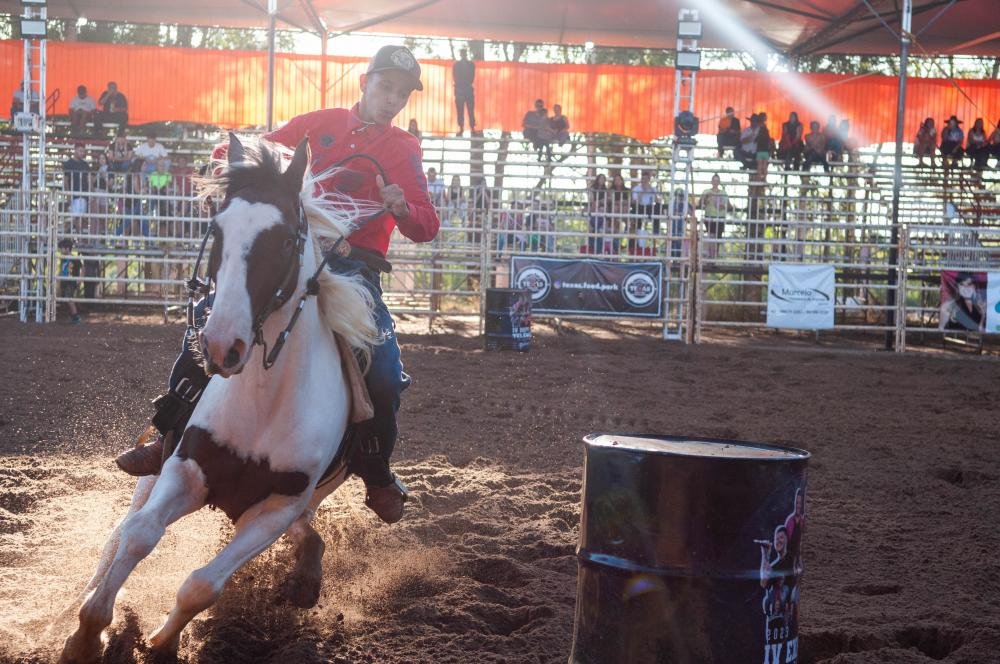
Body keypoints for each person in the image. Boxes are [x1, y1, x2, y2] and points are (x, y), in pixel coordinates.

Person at [115, 45, 440, 526]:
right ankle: (168, 431)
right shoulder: (318, 122)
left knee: (386, 372)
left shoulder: (405, 149)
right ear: (365, 83)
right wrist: (226, 162)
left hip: (354, 269)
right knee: (214, 316)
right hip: (292, 255)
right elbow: (256, 149)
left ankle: (376, 473)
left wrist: (402, 207)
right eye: (385, 86)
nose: (392, 99)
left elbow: (427, 225)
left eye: (401, 93)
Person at [698, 173, 733, 258]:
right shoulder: (706, 192)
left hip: (721, 217)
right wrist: (706, 199)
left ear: (719, 182)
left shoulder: (723, 193)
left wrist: (723, 206)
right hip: (710, 217)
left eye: (717, 180)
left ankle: (714, 257)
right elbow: (700, 203)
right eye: (714, 180)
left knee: (717, 238)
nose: (715, 182)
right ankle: (711, 256)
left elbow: (729, 206)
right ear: (711, 181)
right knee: (711, 236)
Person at [63, 144, 92, 235]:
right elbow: (65, 180)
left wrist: (91, 192)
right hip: (74, 194)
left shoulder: (85, 165)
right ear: (75, 150)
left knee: (80, 217)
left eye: (83, 151)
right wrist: (68, 193)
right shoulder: (68, 164)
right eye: (80, 151)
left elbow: (89, 179)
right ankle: (76, 235)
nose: (82, 153)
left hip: (84, 194)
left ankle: (78, 236)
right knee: (75, 217)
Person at [630, 171, 658, 252]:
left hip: (649, 207)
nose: (644, 181)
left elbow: (657, 201)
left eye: (646, 179)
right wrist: (642, 192)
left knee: (657, 208)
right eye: (643, 179)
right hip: (639, 206)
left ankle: (656, 229)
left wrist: (653, 192)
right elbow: (635, 202)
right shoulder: (636, 189)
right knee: (636, 209)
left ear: (649, 180)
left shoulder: (652, 189)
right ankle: (637, 231)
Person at [57, 238, 83, 324]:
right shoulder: (63, 258)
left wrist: (80, 278)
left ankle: (75, 316)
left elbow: (82, 268)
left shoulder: (74, 258)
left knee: (69, 298)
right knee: (66, 298)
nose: (60, 251)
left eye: (61, 249)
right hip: (64, 281)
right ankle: (73, 315)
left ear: (67, 249)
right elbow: (61, 269)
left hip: (71, 281)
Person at [452, 48, 476, 135]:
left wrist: (465, 83)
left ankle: (472, 128)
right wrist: (460, 86)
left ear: (466, 54)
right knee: (460, 110)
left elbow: (472, 77)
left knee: (471, 110)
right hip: (459, 89)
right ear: (460, 54)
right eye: (462, 53)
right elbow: (455, 77)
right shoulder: (456, 65)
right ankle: (461, 128)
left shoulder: (471, 65)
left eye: (464, 53)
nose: (463, 55)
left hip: (468, 88)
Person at [587, 173, 608, 254]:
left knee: (600, 232)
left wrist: (599, 203)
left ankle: (599, 251)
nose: (602, 180)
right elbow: (592, 201)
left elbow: (606, 201)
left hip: (602, 212)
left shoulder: (606, 190)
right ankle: (592, 251)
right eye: (600, 178)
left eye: (603, 179)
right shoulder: (592, 189)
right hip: (593, 211)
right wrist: (599, 202)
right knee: (592, 230)